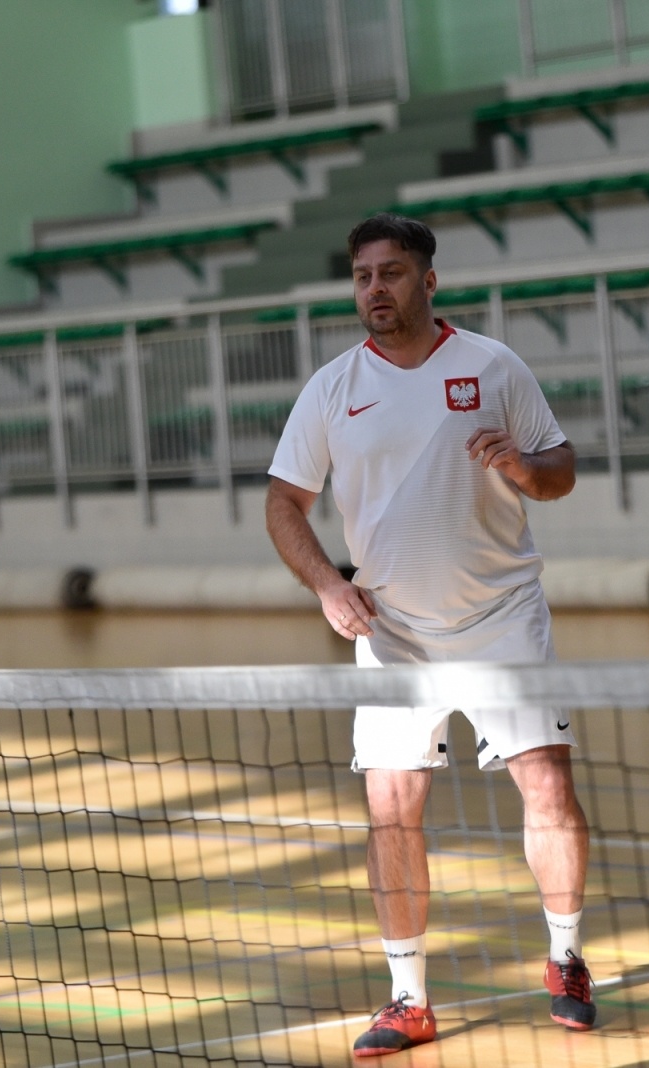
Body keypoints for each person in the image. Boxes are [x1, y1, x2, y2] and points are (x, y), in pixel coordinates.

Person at [265, 213, 595, 1057]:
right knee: (390, 812)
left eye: (394, 272)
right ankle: (407, 998)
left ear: (429, 281)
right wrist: (326, 584)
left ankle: (565, 959)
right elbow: (283, 502)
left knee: (548, 792)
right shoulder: (333, 387)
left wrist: (522, 468)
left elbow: (559, 468)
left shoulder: (493, 365)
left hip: (501, 618)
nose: (377, 288)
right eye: (364, 275)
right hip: (391, 633)